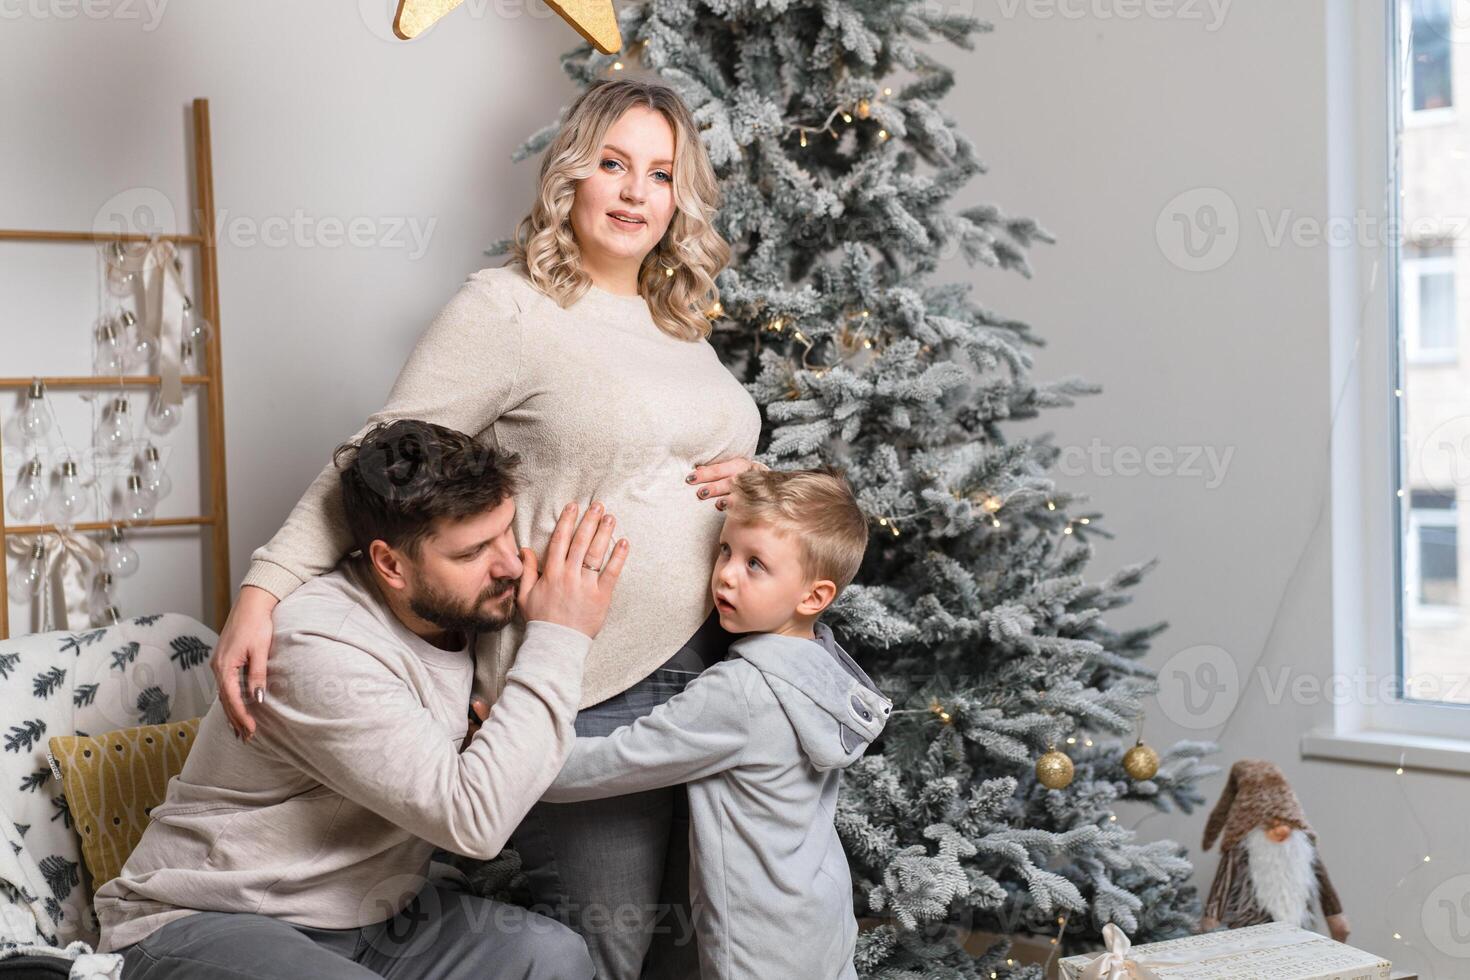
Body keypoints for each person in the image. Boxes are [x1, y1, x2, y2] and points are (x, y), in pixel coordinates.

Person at [208, 78, 762, 978]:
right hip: (589, 684)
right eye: (613, 165)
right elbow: (374, 459)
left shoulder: (679, 324)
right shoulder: (507, 310)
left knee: (704, 952)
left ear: (679, 197)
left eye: (660, 175)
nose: (634, 192)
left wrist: (757, 488)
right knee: (610, 952)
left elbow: (672, 461)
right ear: (569, 177)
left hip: (715, 663)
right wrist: (264, 589)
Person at [94, 419, 626, 979]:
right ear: (390, 564)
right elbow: (475, 823)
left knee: (552, 957)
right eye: (472, 553)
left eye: (504, 533)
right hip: (211, 916)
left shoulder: (459, 609)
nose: (511, 567)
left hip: (372, 918)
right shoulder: (318, 649)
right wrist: (561, 635)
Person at [543, 468, 890, 979]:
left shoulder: (740, 692)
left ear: (813, 597)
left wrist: (508, 754)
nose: (726, 573)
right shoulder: (822, 664)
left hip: (758, 941)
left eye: (756, 565)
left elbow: (615, 761)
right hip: (819, 914)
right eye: (726, 551)